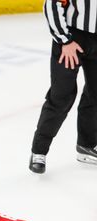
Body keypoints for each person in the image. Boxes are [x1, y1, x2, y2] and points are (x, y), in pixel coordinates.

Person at [29, 0, 97, 174]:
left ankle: (86, 145)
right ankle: (39, 151)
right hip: (71, 37)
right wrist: (64, 40)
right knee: (62, 95)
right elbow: (52, 4)